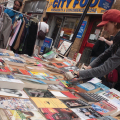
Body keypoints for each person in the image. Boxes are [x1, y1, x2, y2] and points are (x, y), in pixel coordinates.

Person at [71, 9, 120, 90]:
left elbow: (105, 68)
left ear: (115, 23)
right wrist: (90, 66)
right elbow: (103, 56)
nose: (104, 29)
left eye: (106, 25)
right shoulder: (117, 39)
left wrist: (80, 73)